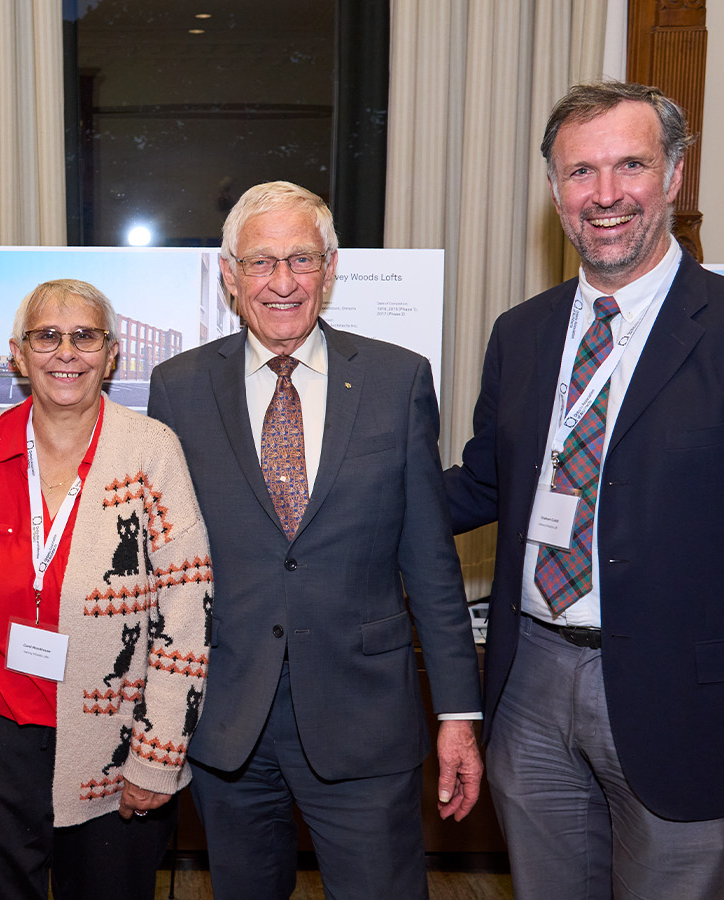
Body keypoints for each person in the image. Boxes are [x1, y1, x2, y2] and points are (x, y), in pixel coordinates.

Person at [443, 81, 724, 899]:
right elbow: (488, 481)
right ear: (554, 189)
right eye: (581, 172)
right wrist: (341, 507)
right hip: (529, 680)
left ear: (674, 175)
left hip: (687, 694)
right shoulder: (524, 333)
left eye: (630, 165)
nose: (605, 195)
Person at [147, 181, 483, 899]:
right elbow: (162, 565)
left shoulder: (397, 381)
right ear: (229, 276)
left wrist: (457, 713)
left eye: (301, 259)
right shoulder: (178, 387)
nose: (282, 281)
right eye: (261, 262)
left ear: (331, 270)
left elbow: (429, 562)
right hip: (229, 722)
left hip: (365, 721)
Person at [0, 279, 212, 900]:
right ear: (19, 355)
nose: (66, 352)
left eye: (85, 337)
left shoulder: (151, 452)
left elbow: (187, 612)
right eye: (47, 336)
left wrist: (158, 755)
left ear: (112, 354)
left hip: (109, 738)